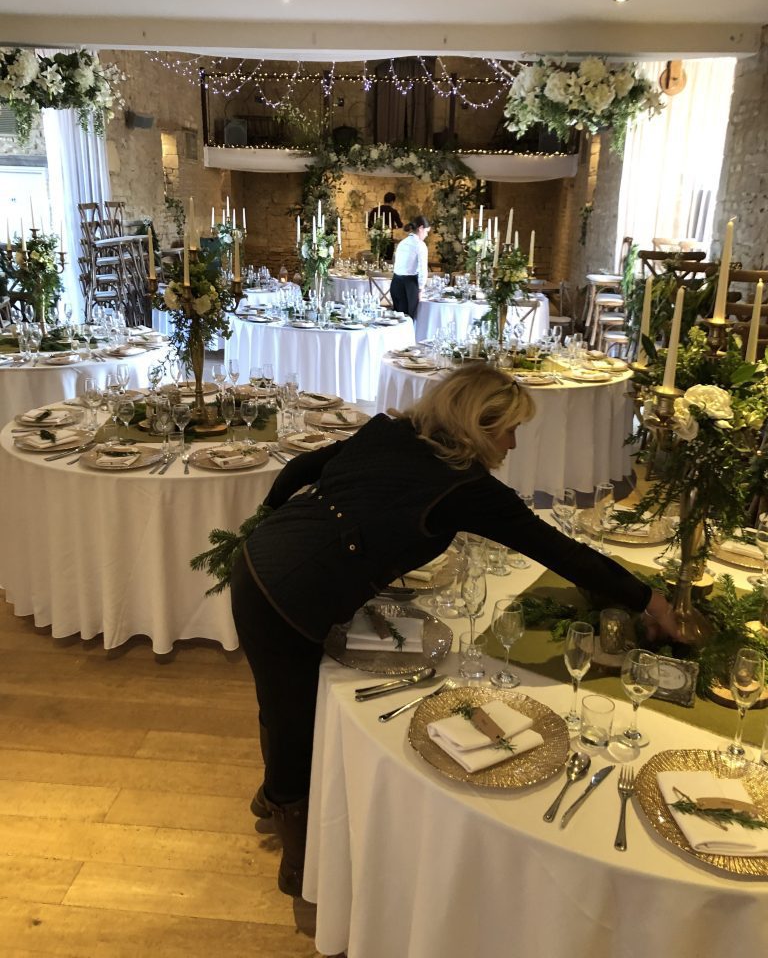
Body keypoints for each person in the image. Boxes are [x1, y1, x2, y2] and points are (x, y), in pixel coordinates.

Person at [229, 364, 677, 898]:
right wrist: (651, 600)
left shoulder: (391, 431)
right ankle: (299, 866)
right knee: (293, 719)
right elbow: (561, 551)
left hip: (258, 564)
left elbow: (300, 469)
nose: (512, 443)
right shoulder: (464, 487)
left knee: (281, 705)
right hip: (287, 599)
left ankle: (270, 795)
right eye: (508, 429)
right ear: (478, 425)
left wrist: (274, 523)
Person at [390, 214, 430, 320]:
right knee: (409, 319)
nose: (426, 235)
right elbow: (423, 269)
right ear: (421, 228)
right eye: (426, 231)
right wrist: (420, 289)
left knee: (398, 319)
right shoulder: (420, 245)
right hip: (409, 285)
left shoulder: (402, 243)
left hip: (395, 282)